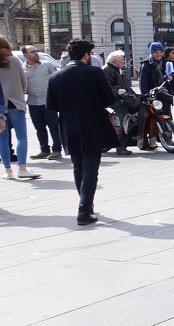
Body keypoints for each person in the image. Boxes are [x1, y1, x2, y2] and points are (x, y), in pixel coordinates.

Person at [46, 39, 116, 224]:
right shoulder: (94, 72)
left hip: (68, 126)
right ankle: (84, 210)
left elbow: (51, 106)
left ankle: (86, 205)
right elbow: (109, 99)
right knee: (91, 168)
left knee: (78, 167)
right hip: (92, 124)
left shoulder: (55, 77)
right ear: (86, 55)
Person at [0, 37, 38, 180]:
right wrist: (20, 94)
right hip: (16, 102)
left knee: (2, 139)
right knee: (21, 136)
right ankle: (22, 168)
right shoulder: (14, 60)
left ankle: (8, 171)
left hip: (0, 106)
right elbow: (24, 81)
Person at [21, 45, 61, 161]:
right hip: (33, 102)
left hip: (48, 101)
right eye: (32, 52)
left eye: (36, 51)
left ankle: (57, 150)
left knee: (53, 126)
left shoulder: (46, 65)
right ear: (25, 55)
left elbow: (56, 80)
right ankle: (44, 150)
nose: (36, 53)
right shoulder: (22, 68)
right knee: (39, 128)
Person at [138, 42, 170, 149]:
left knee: (167, 116)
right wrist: (146, 95)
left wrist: (172, 77)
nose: (158, 54)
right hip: (153, 94)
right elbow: (143, 82)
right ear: (151, 52)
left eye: (160, 52)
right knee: (153, 117)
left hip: (164, 93)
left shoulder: (165, 62)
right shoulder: (146, 64)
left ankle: (168, 137)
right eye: (156, 52)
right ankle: (151, 139)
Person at [103, 51, 134, 155]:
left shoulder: (117, 69)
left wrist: (136, 95)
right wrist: (119, 91)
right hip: (112, 100)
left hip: (119, 98)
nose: (124, 61)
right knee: (124, 119)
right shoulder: (107, 69)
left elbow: (126, 86)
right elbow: (108, 86)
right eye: (122, 59)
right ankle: (120, 147)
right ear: (115, 61)